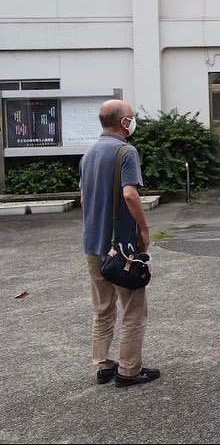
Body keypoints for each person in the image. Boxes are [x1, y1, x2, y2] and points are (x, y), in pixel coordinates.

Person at [79, 99, 160, 387]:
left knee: (102, 308)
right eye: (131, 117)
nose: (133, 120)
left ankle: (103, 366)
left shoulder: (88, 155)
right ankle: (129, 370)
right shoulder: (126, 151)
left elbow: (84, 199)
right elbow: (129, 194)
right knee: (133, 308)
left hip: (93, 244)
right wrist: (144, 228)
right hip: (121, 247)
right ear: (123, 122)